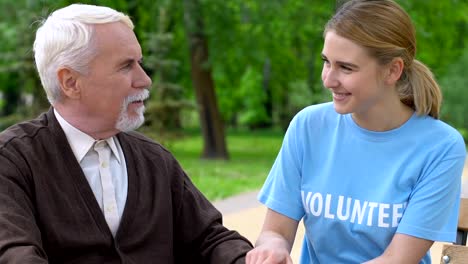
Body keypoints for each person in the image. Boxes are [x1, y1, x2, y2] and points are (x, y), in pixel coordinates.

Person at [0, 4, 252, 263]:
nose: (144, 80)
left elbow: (209, 240)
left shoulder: (155, 159)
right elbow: (15, 256)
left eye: (140, 63)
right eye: (125, 66)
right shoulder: (12, 161)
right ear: (70, 82)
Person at [246, 0, 466, 263]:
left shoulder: (440, 147)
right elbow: (275, 230)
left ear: (393, 70)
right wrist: (273, 246)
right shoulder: (308, 126)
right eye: (327, 62)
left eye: (346, 67)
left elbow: (396, 260)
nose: (328, 79)